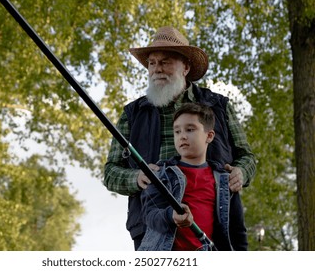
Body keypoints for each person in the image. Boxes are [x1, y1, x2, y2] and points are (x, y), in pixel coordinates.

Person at [104, 26, 256, 250]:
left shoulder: (218, 107)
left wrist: (241, 172)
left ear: (185, 67)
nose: (157, 69)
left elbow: (247, 157)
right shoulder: (132, 114)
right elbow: (110, 173)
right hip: (152, 229)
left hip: (218, 225)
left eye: (165, 62)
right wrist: (138, 178)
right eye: (152, 63)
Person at [138, 102, 247, 251]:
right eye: (177, 132)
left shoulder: (224, 180)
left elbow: (237, 231)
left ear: (209, 136)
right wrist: (171, 215)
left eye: (189, 130)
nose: (182, 136)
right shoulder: (161, 174)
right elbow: (149, 215)